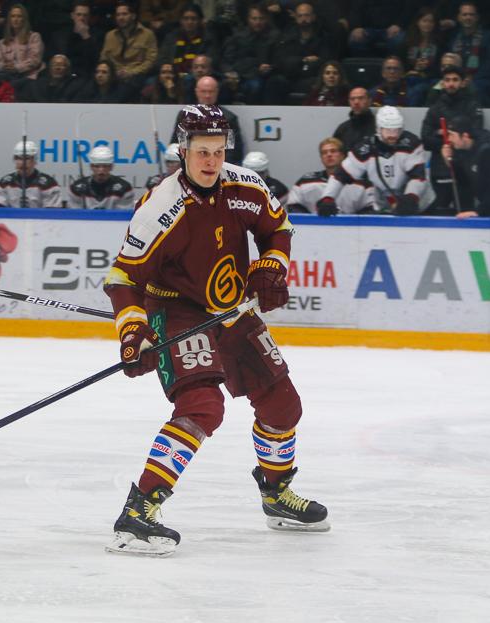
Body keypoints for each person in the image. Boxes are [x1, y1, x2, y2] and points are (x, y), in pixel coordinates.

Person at [103, 104, 329, 557]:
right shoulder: (160, 207)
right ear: (183, 151)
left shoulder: (245, 185)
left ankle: (276, 492)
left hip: (231, 309)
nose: (211, 161)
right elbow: (123, 277)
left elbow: (277, 229)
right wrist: (133, 331)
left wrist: (272, 266)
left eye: (219, 151)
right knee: (202, 406)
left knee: (283, 403)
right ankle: (139, 509)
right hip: (178, 312)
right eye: (202, 152)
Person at [317, 106, 433, 217]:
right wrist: (327, 198)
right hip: (384, 205)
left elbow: (418, 177)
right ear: (378, 129)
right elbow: (341, 175)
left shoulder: (412, 144)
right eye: (387, 130)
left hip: (419, 203)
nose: (392, 135)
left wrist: (411, 197)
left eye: (396, 130)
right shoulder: (364, 149)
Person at [420, 64, 482, 214]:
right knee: (440, 213)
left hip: (465, 168)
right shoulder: (435, 109)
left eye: (455, 80)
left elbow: (475, 135)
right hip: (440, 169)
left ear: (462, 82)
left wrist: (444, 134)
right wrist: (444, 140)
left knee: (465, 211)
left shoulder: (472, 106)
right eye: (447, 80)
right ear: (443, 83)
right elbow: (426, 139)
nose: (451, 83)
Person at [286, 137, 375, 215]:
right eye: (324, 152)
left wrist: (350, 222)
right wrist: (312, 221)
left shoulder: (362, 184)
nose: (329, 155)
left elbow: (370, 209)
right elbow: (293, 206)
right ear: (321, 158)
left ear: (343, 155)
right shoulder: (305, 182)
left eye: (333, 151)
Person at [170, 76, 244, 163]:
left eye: (211, 92)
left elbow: (233, 151)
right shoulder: (185, 116)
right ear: (197, 92)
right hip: (190, 165)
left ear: (217, 92)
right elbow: (177, 144)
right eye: (203, 91)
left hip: (218, 166)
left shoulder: (228, 118)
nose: (207, 95)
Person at [446, 2, 490, 107]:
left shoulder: (488, 36)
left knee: (474, 88)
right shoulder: (453, 38)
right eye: (464, 14)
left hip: (482, 79)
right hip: (456, 78)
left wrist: (473, 78)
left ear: (477, 17)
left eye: (471, 14)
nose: (468, 17)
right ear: (459, 17)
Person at [100, 1, 159, 97]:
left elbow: (151, 60)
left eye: (124, 14)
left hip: (137, 75)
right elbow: (104, 58)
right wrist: (113, 72)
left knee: (131, 84)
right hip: (114, 75)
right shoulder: (110, 35)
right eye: (118, 15)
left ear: (133, 16)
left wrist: (131, 72)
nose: (121, 17)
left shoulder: (148, 34)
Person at [0, 140, 63, 208]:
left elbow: (52, 212)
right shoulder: (4, 183)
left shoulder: (49, 184)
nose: (22, 163)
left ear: (35, 160)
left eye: (27, 158)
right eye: (18, 158)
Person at [67, 145, 135, 209]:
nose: (101, 170)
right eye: (97, 166)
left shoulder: (124, 188)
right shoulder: (76, 188)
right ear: (91, 166)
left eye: (105, 166)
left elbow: (123, 215)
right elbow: (73, 214)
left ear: (111, 166)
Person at [0, 3, 45, 90]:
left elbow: (35, 60)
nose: (16, 19)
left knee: (9, 87)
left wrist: (16, 67)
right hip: (9, 75)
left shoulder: (34, 37)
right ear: (9, 19)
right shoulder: (2, 42)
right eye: (13, 16)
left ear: (24, 19)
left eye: (19, 16)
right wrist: (5, 66)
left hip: (29, 76)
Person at [51, 2, 102, 78]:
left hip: (86, 75)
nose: (81, 18)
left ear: (89, 17)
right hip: (64, 74)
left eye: (85, 15)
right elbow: (53, 57)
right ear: (72, 16)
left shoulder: (97, 35)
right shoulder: (60, 35)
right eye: (78, 14)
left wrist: (86, 35)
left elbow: (95, 60)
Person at [332, 87, 375, 151]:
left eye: (361, 98)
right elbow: (335, 153)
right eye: (352, 99)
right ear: (349, 102)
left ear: (369, 101)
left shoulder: (378, 126)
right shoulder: (343, 129)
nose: (356, 102)